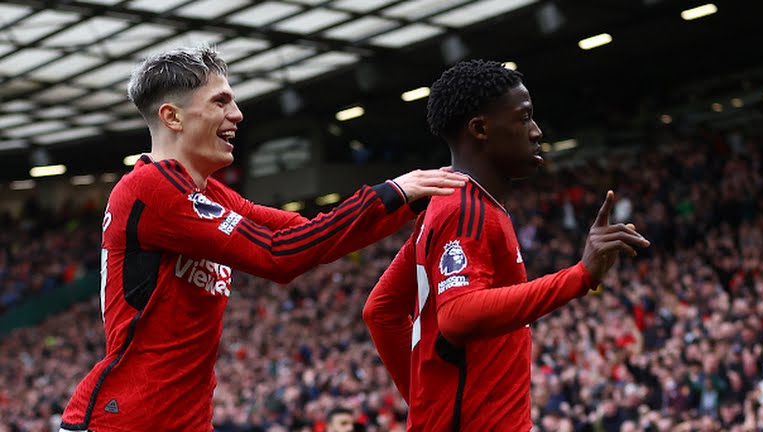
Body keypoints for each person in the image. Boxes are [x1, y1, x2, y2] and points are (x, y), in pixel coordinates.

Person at [59, 46, 466, 432]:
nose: (237, 114)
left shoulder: (209, 195)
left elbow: (306, 234)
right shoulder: (151, 188)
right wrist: (392, 194)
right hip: (122, 421)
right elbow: (277, 256)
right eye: (220, 102)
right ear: (173, 117)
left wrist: (407, 200)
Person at [363, 60, 650, 431]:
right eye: (524, 117)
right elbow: (457, 315)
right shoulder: (465, 208)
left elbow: (380, 311)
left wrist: (429, 407)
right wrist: (579, 276)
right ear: (480, 129)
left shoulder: (448, 202)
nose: (536, 131)